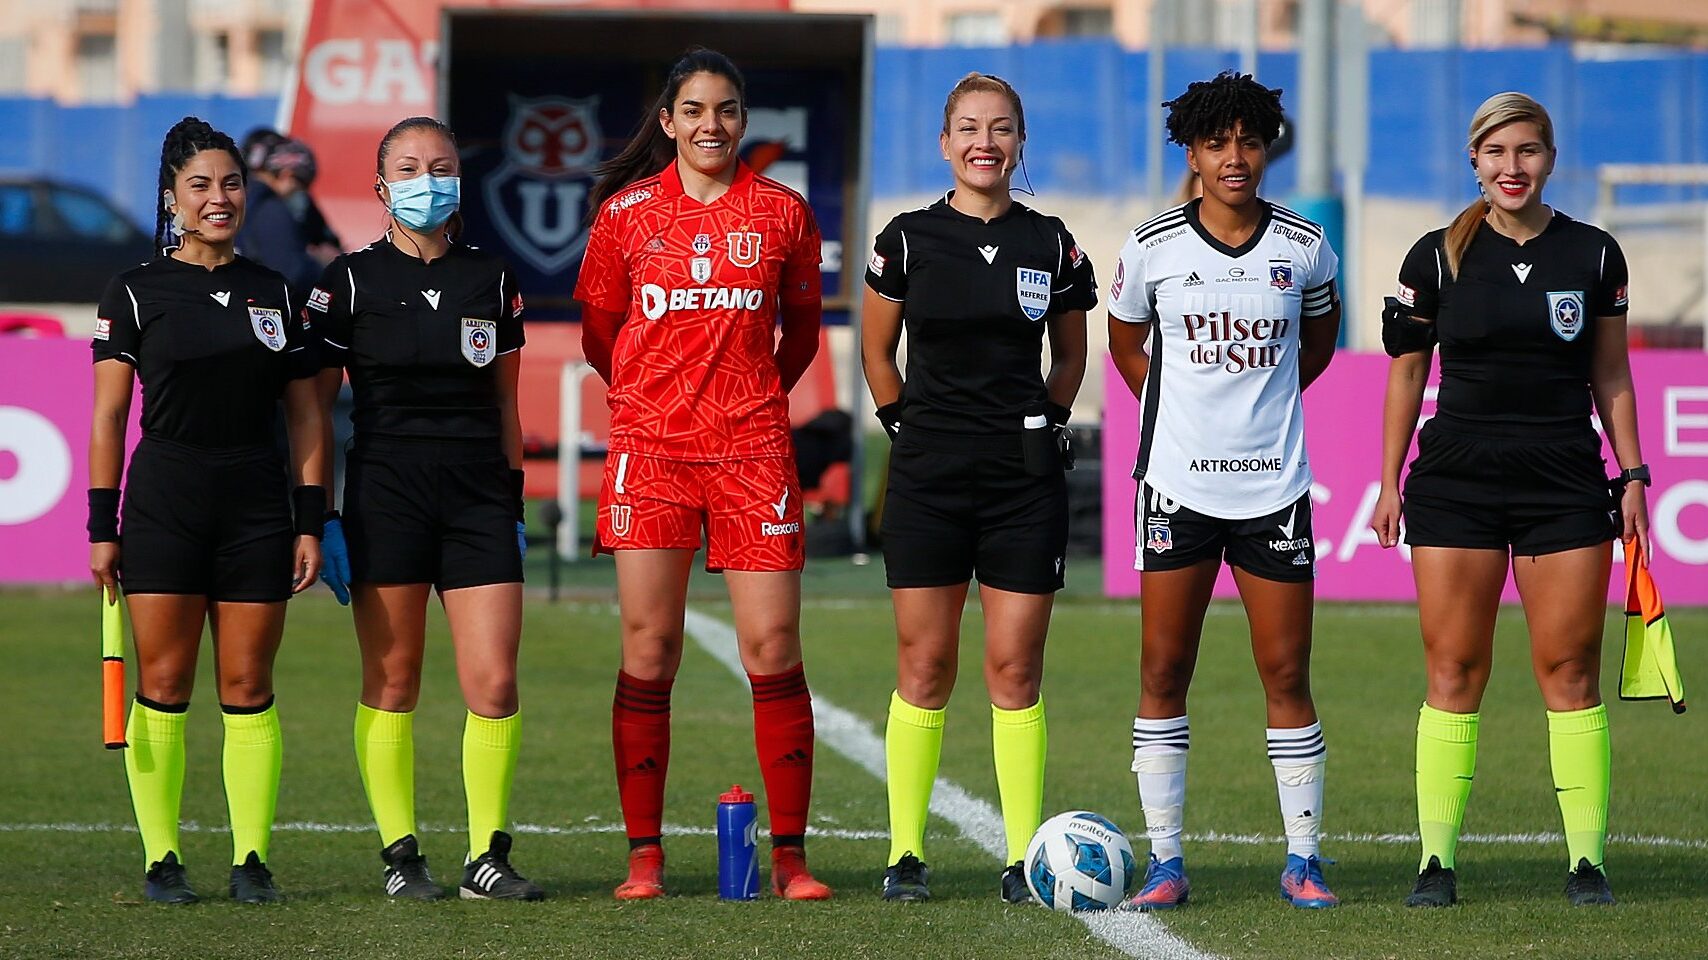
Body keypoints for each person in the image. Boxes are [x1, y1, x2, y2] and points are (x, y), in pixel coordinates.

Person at [1373, 91, 1644, 909]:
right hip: (1455, 482)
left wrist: (1631, 477)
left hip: (1564, 482)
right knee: (1454, 668)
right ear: (1475, 161)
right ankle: (1435, 862)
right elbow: (1408, 371)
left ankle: (1586, 864)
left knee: (1570, 670)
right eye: (1495, 153)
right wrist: (1388, 482)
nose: (1511, 167)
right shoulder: (1437, 256)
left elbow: (1612, 376)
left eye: (1526, 151)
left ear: (1550, 159)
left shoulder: (1593, 255)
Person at [574, 47, 831, 902]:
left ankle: (791, 859)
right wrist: (659, 401)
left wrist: (743, 400)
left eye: (724, 109)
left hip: (753, 452)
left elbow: (799, 336)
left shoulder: (785, 213)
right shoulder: (624, 216)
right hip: (651, 453)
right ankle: (644, 855)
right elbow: (600, 337)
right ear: (668, 120)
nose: (709, 124)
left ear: (743, 119)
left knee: (774, 647)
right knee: (650, 649)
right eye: (693, 109)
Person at [1106, 71, 1342, 911]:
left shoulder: (1307, 245)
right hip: (1175, 487)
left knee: (1286, 670)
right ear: (1192, 152)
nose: (1235, 157)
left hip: (1275, 490)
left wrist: (1258, 401)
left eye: (1249, 140)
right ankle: (1166, 860)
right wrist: (1178, 410)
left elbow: (1317, 343)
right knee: (1164, 669)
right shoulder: (1152, 246)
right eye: (1216, 143)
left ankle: (1305, 858)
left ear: (1267, 144)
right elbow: (1126, 340)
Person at [860, 72, 1095, 904]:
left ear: (1019, 141)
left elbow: (1070, 355)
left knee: (1014, 668)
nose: (984, 142)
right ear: (944, 143)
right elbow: (877, 352)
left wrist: (1048, 420)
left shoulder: (1053, 242)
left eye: (1000, 128)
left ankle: (1022, 860)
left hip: (1022, 485)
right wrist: (902, 429)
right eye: (968, 128)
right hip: (927, 479)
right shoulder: (907, 237)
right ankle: (906, 855)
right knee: (925, 664)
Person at [88, 116, 327, 904]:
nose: (219, 198)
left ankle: (251, 861)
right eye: (201, 186)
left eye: (231, 184)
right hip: (165, 507)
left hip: (256, 507)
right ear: (172, 198)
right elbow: (109, 419)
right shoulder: (134, 290)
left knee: (249, 685)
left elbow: (305, 417)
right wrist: (102, 526)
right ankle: (163, 860)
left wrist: (308, 517)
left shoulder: (274, 292)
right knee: (162, 683)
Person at [308, 116, 541, 902]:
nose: (427, 180)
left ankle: (488, 855)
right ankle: (401, 857)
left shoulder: (493, 278)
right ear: (380, 186)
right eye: (408, 167)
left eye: (441, 165)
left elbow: (508, 405)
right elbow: (313, 414)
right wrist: (325, 515)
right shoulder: (347, 282)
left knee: (495, 684)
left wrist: (512, 503)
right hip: (386, 497)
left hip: (477, 498)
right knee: (393, 678)